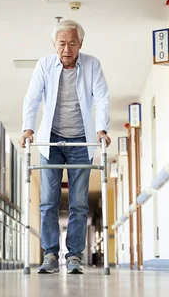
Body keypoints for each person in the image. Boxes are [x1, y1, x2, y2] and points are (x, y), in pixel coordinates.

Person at [20, 19, 110, 274]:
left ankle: (74, 256)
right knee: (48, 201)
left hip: (82, 141)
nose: (67, 49)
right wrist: (28, 127)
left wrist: (102, 128)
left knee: (79, 203)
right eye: (62, 43)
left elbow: (102, 97)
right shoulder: (44, 65)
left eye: (72, 43)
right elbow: (33, 97)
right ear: (54, 44)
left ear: (80, 43)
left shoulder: (92, 65)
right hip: (51, 141)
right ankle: (50, 254)